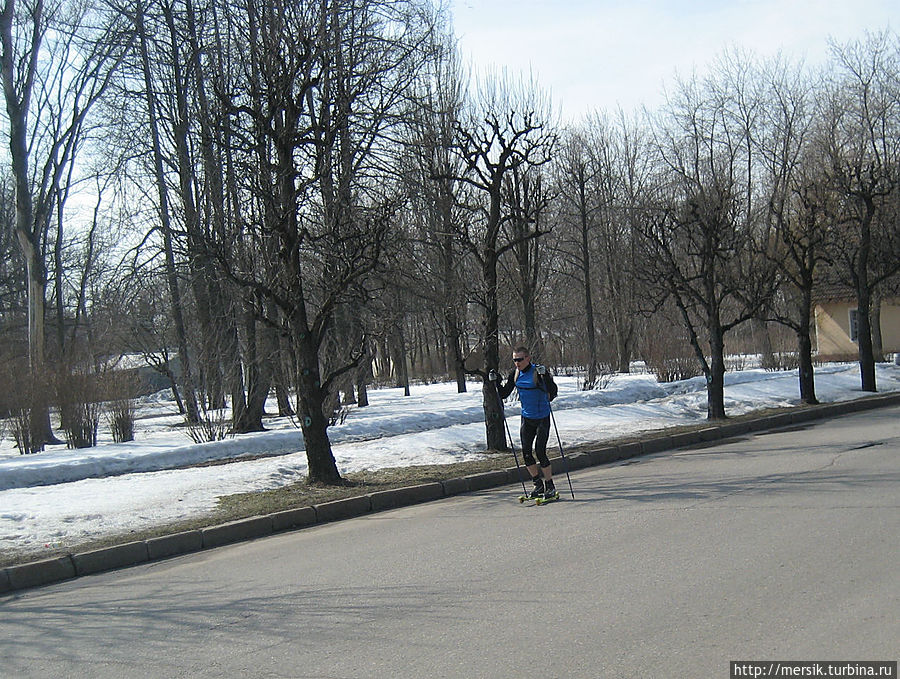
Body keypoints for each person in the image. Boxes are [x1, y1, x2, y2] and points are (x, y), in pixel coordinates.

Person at [489, 345, 559, 500]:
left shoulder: (538, 372)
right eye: (515, 359)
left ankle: (550, 485)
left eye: (520, 359)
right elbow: (504, 394)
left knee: (540, 451)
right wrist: (496, 381)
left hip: (542, 417)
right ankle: (537, 484)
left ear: (528, 358)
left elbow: (553, 392)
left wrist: (545, 377)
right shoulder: (515, 374)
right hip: (527, 418)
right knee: (526, 453)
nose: (517, 362)